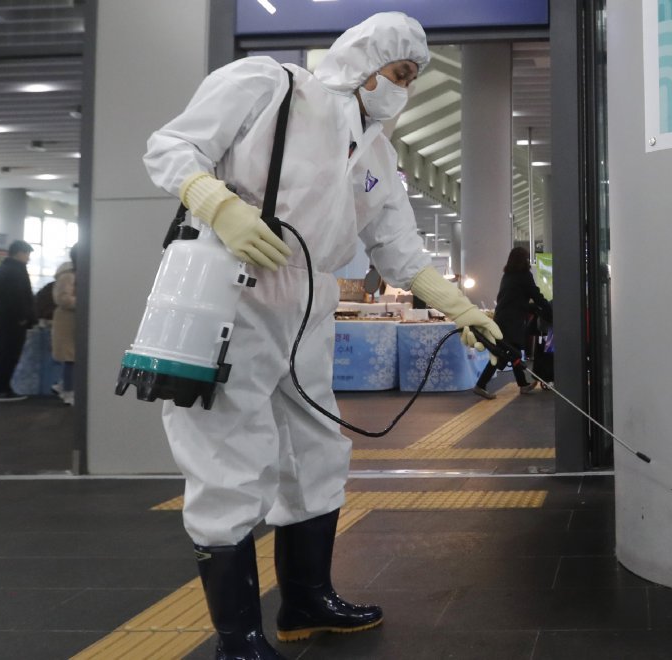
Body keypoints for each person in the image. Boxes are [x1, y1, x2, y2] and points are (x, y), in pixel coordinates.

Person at [143, 13, 502, 658]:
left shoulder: (378, 152)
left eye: (413, 78)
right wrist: (220, 205)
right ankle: (238, 640)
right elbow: (170, 147)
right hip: (232, 288)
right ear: (364, 61)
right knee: (226, 457)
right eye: (398, 72)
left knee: (316, 450)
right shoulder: (268, 85)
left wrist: (460, 308)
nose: (404, 88)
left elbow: (398, 248)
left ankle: (306, 599)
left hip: (311, 303)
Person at [473, 246, 551, 399]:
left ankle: (523, 385)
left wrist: (533, 307)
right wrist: (548, 308)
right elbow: (535, 294)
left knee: (511, 351)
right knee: (504, 354)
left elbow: (515, 300)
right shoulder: (524, 275)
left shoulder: (508, 275)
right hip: (512, 321)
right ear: (524, 260)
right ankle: (480, 385)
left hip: (502, 318)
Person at [0, 239, 36, 402]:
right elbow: (17, 297)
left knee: (2, 356)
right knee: (9, 356)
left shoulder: (0, 270)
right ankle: (2, 390)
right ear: (19, 253)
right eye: (27, 254)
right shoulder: (15, 271)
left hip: (3, 320)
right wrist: (22, 318)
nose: (28, 258)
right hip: (13, 322)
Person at [52, 245, 79, 405]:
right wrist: (84, 300)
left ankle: (63, 386)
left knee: (73, 358)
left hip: (74, 321)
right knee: (71, 359)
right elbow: (62, 299)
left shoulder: (75, 273)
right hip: (67, 322)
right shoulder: (68, 276)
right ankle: (68, 392)